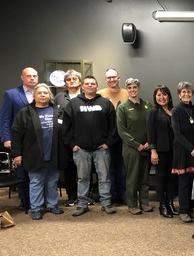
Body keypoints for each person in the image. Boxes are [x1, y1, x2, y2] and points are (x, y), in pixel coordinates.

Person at [62, 75, 117, 217]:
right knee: (82, 178)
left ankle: (106, 204)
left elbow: (113, 126)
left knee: (104, 177)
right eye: (87, 83)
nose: (90, 85)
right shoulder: (73, 104)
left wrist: (108, 143)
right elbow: (66, 127)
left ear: (97, 86)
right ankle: (82, 205)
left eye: (93, 83)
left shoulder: (105, 103)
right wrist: (72, 145)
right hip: (81, 150)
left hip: (101, 149)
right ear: (83, 86)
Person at [11, 84, 64, 220]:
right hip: (34, 154)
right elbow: (16, 134)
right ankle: (36, 208)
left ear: (49, 95)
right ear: (34, 96)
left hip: (54, 154)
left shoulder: (56, 111)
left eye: (45, 93)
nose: (42, 95)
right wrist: (17, 154)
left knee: (52, 181)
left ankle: (52, 205)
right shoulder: (25, 112)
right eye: (39, 93)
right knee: (36, 182)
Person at [0, 67, 39, 211]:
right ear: (22, 77)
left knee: (36, 170)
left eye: (35, 76)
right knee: (22, 171)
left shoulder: (43, 93)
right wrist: (6, 138)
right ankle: (24, 200)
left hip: (37, 141)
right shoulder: (11, 94)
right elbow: (4, 119)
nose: (32, 78)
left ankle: (37, 199)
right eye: (29, 76)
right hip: (18, 140)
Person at [117, 78, 153, 215]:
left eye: (135, 87)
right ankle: (132, 204)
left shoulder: (147, 105)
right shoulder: (122, 107)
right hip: (131, 148)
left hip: (147, 147)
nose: (133, 90)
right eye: (130, 88)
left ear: (139, 89)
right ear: (127, 90)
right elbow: (121, 130)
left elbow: (151, 126)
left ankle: (144, 202)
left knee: (144, 176)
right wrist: (136, 145)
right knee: (132, 176)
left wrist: (150, 142)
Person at [171, 81, 194, 223]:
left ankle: (191, 208)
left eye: (189, 92)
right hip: (183, 150)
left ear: (192, 94)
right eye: (183, 92)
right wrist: (191, 149)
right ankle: (183, 210)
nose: (186, 94)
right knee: (184, 182)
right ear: (179, 94)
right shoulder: (176, 111)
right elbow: (177, 134)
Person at [147, 85, 178, 218]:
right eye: (159, 95)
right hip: (160, 151)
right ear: (155, 97)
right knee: (161, 178)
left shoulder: (174, 110)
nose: (162, 97)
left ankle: (170, 203)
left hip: (175, 150)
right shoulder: (153, 111)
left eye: (164, 94)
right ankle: (163, 205)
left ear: (169, 96)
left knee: (172, 178)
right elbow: (150, 133)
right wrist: (153, 151)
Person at [98, 68, 128, 204]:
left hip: (123, 137)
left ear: (118, 78)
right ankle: (111, 195)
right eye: (109, 78)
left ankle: (122, 194)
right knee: (108, 168)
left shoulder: (127, 93)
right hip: (106, 137)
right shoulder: (99, 94)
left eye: (114, 77)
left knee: (121, 167)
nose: (111, 80)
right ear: (105, 79)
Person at [54, 69, 82, 206]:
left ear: (80, 81)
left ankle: (85, 196)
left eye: (74, 79)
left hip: (84, 138)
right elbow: (56, 116)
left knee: (85, 169)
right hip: (66, 139)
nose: (72, 81)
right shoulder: (59, 97)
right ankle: (71, 196)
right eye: (69, 80)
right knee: (69, 168)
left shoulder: (86, 95)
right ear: (65, 83)